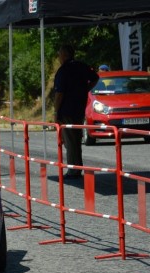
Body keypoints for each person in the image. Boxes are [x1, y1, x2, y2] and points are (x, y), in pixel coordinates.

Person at [53, 44, 99, 179]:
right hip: (79, 107)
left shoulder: (63, 70)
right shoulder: (81, 66)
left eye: (60, 54)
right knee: (76, 139)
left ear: (65, 55)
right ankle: (77, 166)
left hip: (66, 110)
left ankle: (74, 169)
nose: (59, 57)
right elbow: (95, 77)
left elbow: (59, 94)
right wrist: (85, 89)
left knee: (70, 140)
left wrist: (56, 112)